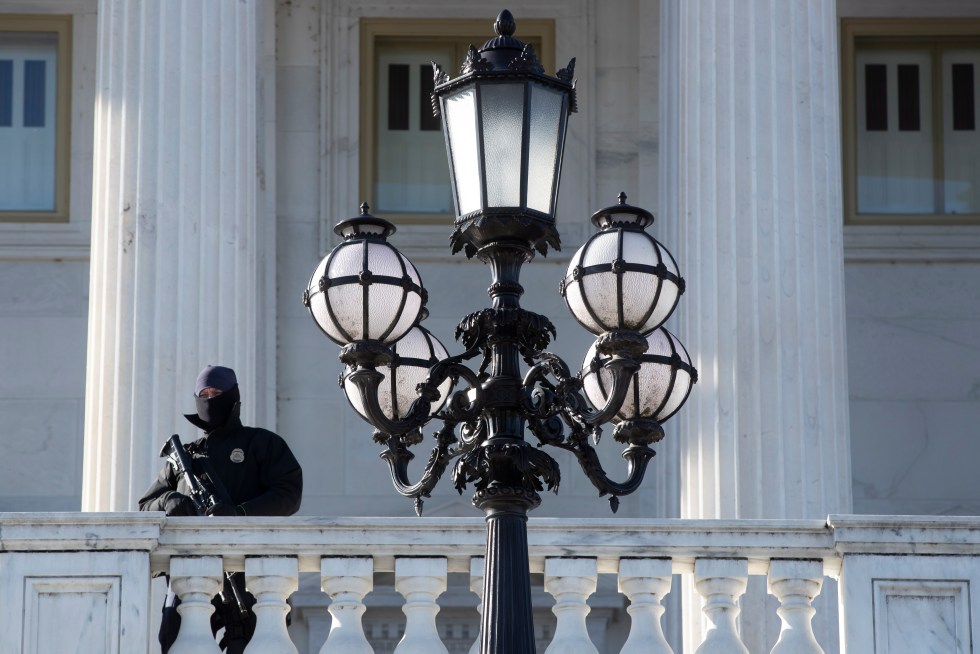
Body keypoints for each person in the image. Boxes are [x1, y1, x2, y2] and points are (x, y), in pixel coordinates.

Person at [139, 364, 303, 654]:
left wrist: (240, 513)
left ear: (233, 397)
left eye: (217, 392)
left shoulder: (262, 443)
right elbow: (145, 506)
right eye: (204, 393)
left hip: (250, 576)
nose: (210, 398)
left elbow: (289, 494)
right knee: (173, 642)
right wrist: (168, 501)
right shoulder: (185, 457)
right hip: (190, 574)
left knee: (253, 642)